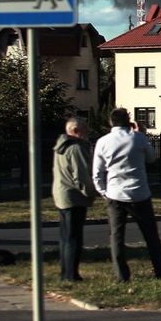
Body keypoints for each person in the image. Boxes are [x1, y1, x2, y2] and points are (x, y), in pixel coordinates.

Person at [92, 107, 161, 281]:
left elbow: (97, 172)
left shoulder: (103, 142)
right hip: (139, 193)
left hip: (115, 193)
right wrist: (141, 133)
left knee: (116, 237)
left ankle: (122, 274)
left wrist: (103, 191)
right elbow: (151, 158)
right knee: (151, 235)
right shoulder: (138, 138)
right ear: (128, 121)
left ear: (110, 122)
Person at [52, 116, 95, 282]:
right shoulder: (76, 148)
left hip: (61, 194)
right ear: (76, 131)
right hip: (74, 196)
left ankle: (65, 272)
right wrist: (92, 192)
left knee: (65, 236)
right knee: (74, 237)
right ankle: (71, 275)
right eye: (85, 129)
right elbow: (81, 175)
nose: (88, 133)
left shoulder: (60, 146)